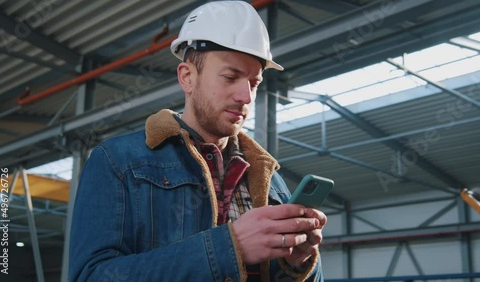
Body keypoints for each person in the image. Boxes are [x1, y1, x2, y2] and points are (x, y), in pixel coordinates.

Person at [69, 1, 326, 281]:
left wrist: (297, 264)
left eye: (254, 83)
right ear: (187, 77)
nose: (247, 96)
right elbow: (91, 276)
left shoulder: (271, 181)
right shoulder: (118, 163)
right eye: (230, 77)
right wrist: (231, 247)